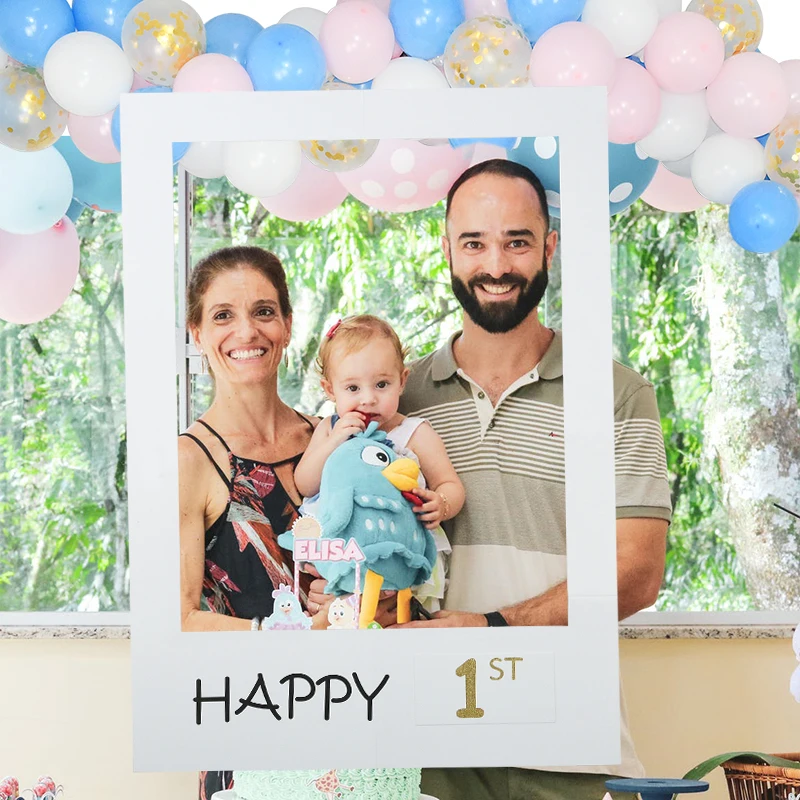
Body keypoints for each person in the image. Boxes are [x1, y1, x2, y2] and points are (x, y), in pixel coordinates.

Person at [394, 159, 672, 800]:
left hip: (568, 740)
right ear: (447, 251)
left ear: (549, 247)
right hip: (425, 740)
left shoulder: (616, 393)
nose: (496, 265)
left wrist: (492, 628)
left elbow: (637, 572)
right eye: (474, 243)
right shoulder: (399, 401)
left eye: (516, 241)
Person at [177, 246, 325, 800]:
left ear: (286, 324)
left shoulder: (334, 440)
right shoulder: (190, 460)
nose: (247, 331)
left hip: (353, 723)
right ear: (196, 333)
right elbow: (179, 620)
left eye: (264, 311)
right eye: (223, 315)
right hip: (247, 739)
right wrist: (293, 635)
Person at [294, 314, 465, 620]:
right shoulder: (329, 429)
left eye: (382, 384)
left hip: (400, 553)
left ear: (403, 380)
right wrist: (335, 442)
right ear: (330, 390)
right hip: (344, 552)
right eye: (352, 388)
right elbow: (305, 484)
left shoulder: (414, 433)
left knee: (403, 621)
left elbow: (450, 484)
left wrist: (441, 503)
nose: (368, 399)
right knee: (340, 619)